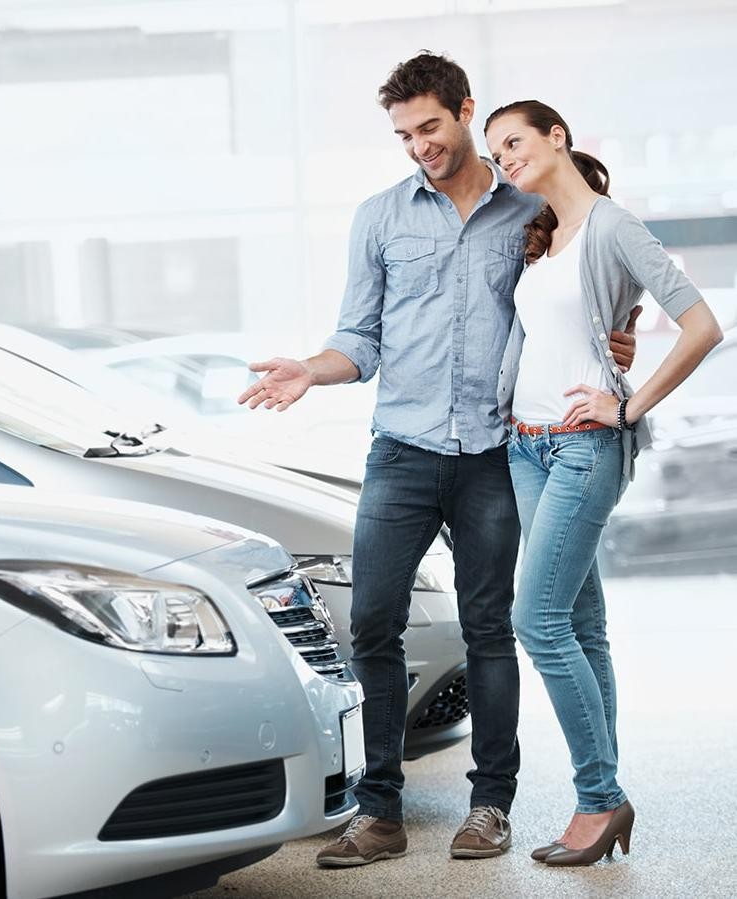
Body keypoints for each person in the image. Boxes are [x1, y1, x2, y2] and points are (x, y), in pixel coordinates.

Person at [236, 52, 641, 867]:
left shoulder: (528, 205)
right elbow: (361, 337)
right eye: (403, 134)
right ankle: (377, 810)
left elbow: (586, 289)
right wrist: (311, 370)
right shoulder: (380, 218)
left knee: (492, 628)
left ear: (465, 111)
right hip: (403, 450)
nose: (418, 144)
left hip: (497, 452)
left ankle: (490, 805)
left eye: (429, 126)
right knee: (374, 623)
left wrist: (614, 340)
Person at [481, 100, 721, 866]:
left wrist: (629, 403)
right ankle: (604, 791)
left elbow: (703, 325)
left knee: (537, 620)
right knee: (581, 625)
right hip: (528, 447)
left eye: (514, 142)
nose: (506, 159)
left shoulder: (613, 226)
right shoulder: (544, 238)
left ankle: (599, 797)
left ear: (558, 137)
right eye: (497, 153)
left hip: (586, 446)